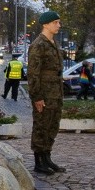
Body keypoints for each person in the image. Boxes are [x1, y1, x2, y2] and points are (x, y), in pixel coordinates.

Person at [27, 10, 65, 175]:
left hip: (55, 93)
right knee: (41, 125)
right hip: (44, 94)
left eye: (58, 22)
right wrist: (37, 97)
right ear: (46, 24)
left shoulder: (53, 43)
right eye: (56, 22)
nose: (58, 25)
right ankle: (39, 161)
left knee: (52, 125)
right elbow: (33, 73)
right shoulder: (39, 44)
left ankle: (47, 157)